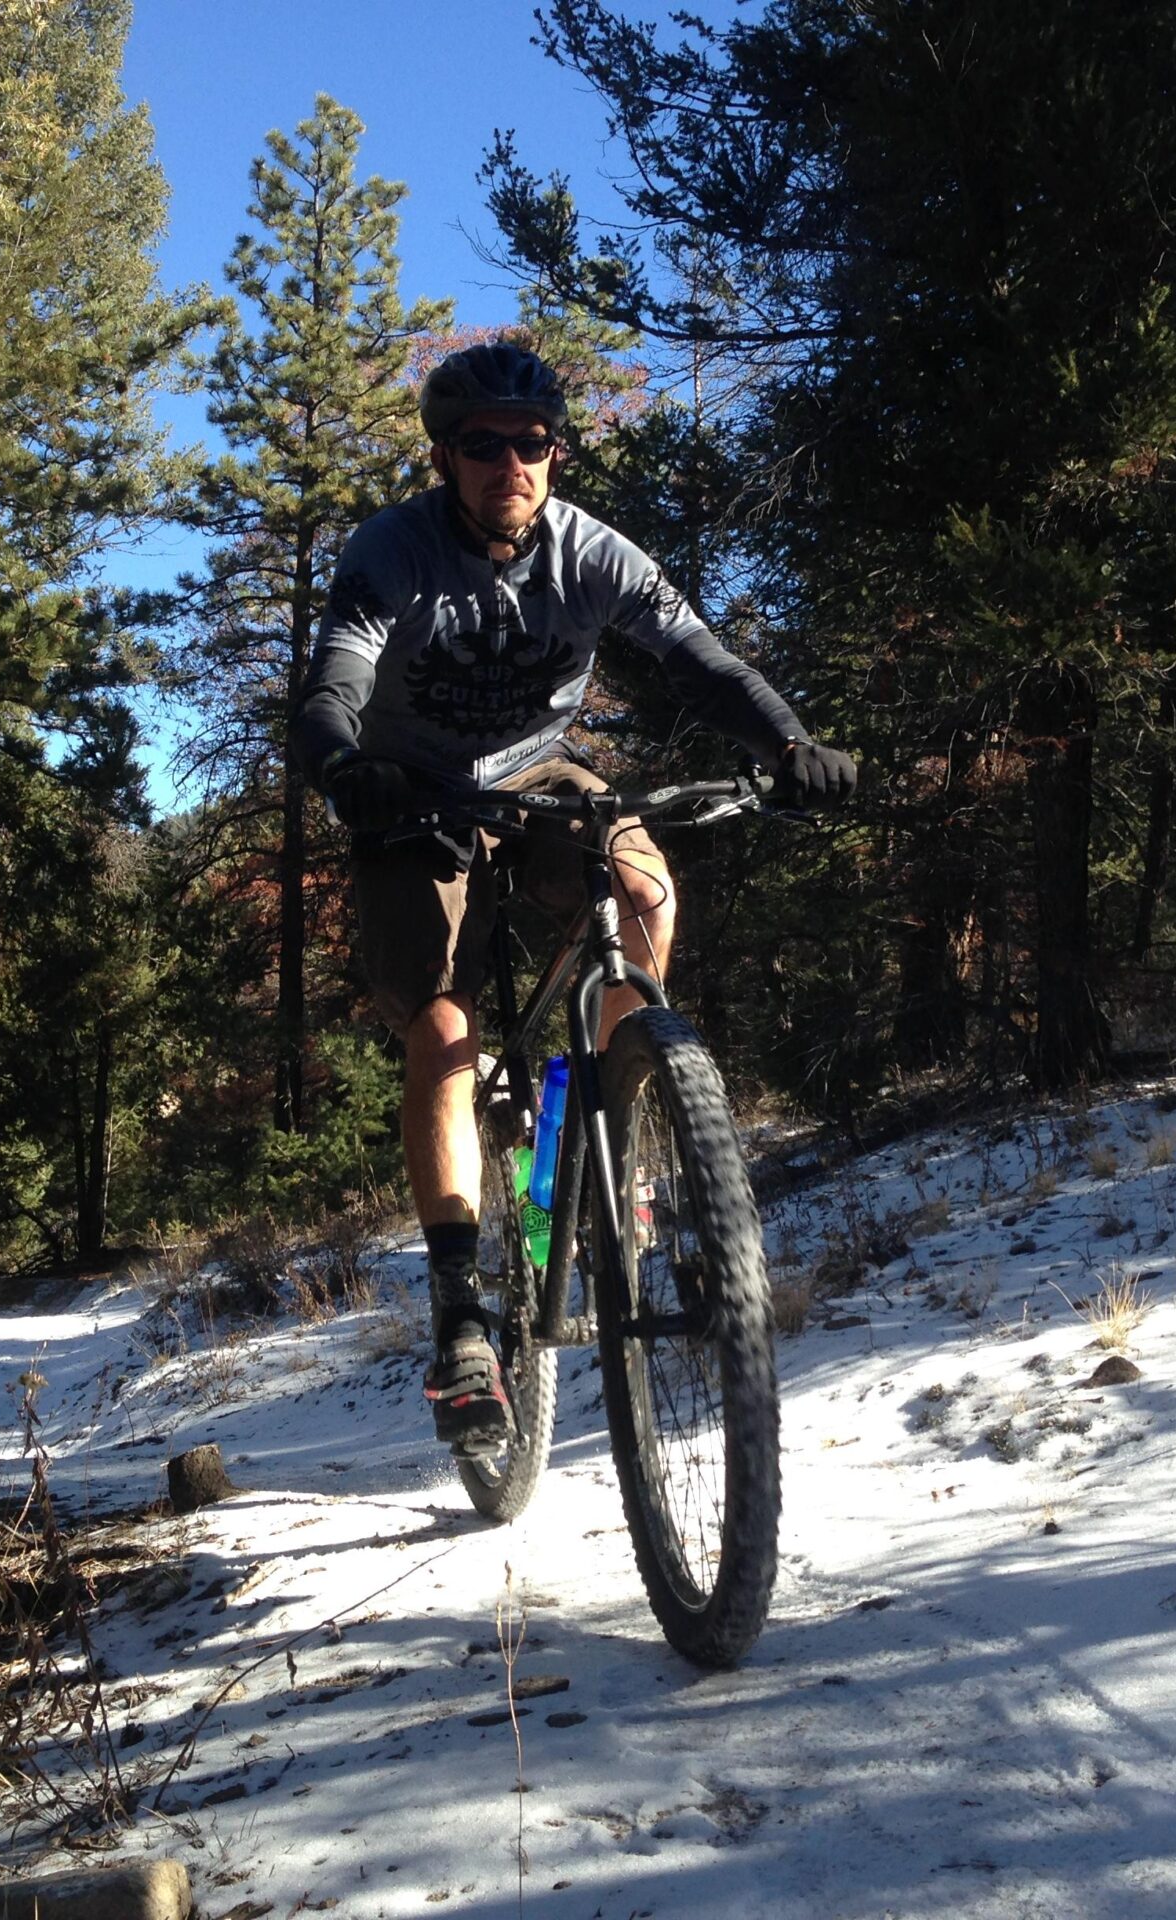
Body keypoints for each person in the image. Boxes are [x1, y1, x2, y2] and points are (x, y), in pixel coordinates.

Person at [290, 342, 855, 1451]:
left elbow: (701, 659)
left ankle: (603, 1108)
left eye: (532, 441)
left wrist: (788, 743)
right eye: (484, 445)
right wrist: (345, 767)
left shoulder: (590, 552)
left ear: (554, 450)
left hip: (542, 775)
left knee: (641, 889)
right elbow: (334, 683)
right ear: (445, 457)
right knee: (445, 1030)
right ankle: (460, 1316)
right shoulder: (392, 551)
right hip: (410, 794)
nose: (513, 461)